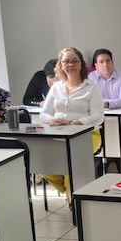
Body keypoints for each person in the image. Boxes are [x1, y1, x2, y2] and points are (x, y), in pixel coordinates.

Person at [39, 48, 104, 202]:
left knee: (70, 160)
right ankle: (68, 190)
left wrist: (74, 123)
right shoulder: (56, 87)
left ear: (81, 64)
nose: (71, 65)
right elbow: (44, 114)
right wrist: (51, 120)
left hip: (87, 135)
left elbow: (98, 117)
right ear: (60, 65)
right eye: (66, 61)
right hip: (58, 135)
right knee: (40, 162)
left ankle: (72, 200)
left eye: (75, 61)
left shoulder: (91, 88)